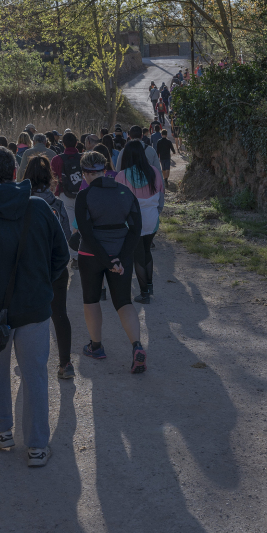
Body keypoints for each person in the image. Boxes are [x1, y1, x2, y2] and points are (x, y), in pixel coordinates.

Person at [0, 145, 69, 466]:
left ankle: (1, 431)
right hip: (35, 308)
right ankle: (37, 447)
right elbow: (61, 255)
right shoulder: (39, 207)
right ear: (14, 173)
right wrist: (42, 283)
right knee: (35, 375)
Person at [72, 150, 146, 373]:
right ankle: (137, 346)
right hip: (120, 255)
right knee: (124, 302)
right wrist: (119, 259)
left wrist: (106, 260)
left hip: (91, 256)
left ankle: (96, 347)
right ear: (104, 170)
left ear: (85, 173)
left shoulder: (84, 196)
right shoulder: (125, 192)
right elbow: (136, 229)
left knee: (91, 300)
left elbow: (86, 233)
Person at [22, 152, 74, 380]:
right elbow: (67, 237)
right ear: (50, 178)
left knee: (27, 317)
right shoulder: (58, 205)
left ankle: (29, 363)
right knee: (59, 314)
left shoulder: (20, 204)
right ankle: (65, 363)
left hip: (28, 269)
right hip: (56, 268)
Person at [115, 139, 165, 304]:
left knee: (138, 256)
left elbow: (119, 203)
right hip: (152, 219)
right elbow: (161, 195)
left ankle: (144, 294)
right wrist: (156, 212)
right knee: (146, 251)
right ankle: (149, 286)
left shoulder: (122, 176)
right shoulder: (154, 172)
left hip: (133, 221)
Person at [50, 131, 84, 223]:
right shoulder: (84, 157)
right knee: (82, 222)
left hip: (64, 193)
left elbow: (53, 179)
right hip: (82, 192)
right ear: (76, 143)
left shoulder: (56, 159)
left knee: (69, 224)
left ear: (63, 144)